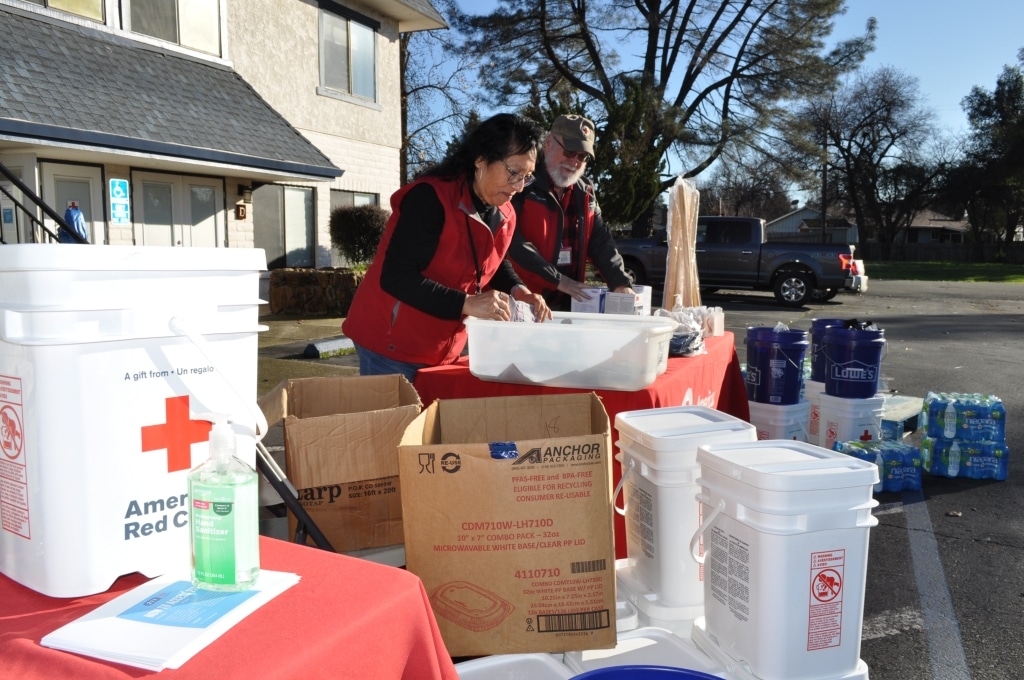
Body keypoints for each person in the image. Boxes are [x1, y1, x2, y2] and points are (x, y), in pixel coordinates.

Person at [342, 113, 552, 383]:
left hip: (442, 347)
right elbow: (397, 276)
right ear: (481, 160)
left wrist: (519, 290)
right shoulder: (430, 198)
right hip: (390, 343)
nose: (519, 187)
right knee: (394, 413)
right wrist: (467, 303)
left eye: (527, 176)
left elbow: (493, 261)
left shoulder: (505, 211)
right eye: (514, 172)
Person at [508, 114, 635, 310]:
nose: (575, 162)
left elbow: (601, 242)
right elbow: (510, 240)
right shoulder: (522, 182)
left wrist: (620, 282)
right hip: (522, 304)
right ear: (548, 143)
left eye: (582, 157)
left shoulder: (585, 192)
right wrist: (557, 279)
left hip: (568, 306)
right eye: (569, 152)